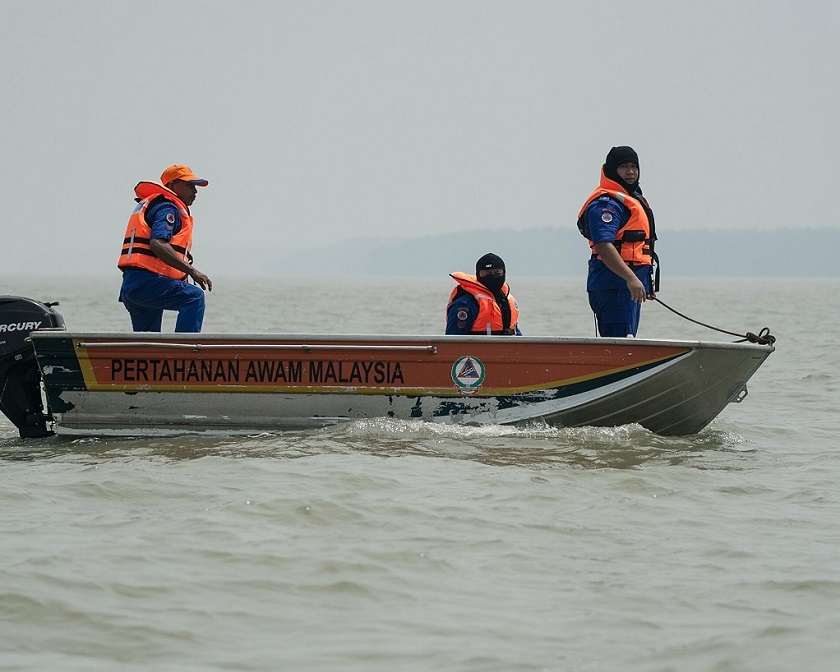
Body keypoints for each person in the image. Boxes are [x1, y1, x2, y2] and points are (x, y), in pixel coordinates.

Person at [117, 164, 213, 332]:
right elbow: (157, 243)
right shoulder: (167, 208)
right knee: (194, 297)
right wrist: (192, 271)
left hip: (132, 287)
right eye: (189, 185)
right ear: (171, 186)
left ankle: (147, 357)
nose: (195, 191)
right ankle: (186, 354)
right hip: (145, 283)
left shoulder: (155, 205)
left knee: (149, 345)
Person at [576, 146, 659, 337]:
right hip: (613, 287)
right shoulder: (606, 203)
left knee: (627, 338)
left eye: (634, 167)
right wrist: (631, 278)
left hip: (628, 286)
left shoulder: (632, 199)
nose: (630, 172)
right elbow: (603, 246)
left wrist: (643, 282)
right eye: (624, 167)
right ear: (613, 170)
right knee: (618, 341)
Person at [446, 253, 522, 335]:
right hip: (478, 347)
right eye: (486, 273)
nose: (492, 277)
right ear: (478, 275)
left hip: (507, 347)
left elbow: (516, 332)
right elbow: (454, 340)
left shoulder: (506, 300)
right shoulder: (465, 304)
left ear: (504, 273)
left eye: (497, 273)